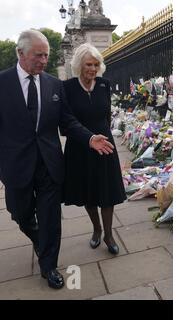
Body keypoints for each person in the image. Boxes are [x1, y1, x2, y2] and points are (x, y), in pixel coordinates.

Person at [0, 30, 114, 289]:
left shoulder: (53, 84)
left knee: (51, 217)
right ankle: (41, 240)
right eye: (37, 55)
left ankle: (49, 265)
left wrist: (88, 138)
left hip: (49, 163)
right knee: (20, 212)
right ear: (20, 54)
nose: (43, 60)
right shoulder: (2, 83)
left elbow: (67, 120)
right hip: (16, 164)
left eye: (46, 55)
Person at [63, 44, 126, 256]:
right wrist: (88, 137)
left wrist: (103, 134)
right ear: (79, 64)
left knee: (107, 192)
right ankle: (96, 229)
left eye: (96, 64)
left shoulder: (103, 85)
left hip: (105, 145)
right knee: (88, 193)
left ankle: (108, 234)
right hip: (80, 147)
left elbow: (106, 115)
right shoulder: (68, 87)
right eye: (89, 64)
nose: (93, 68)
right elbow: (66, 121)